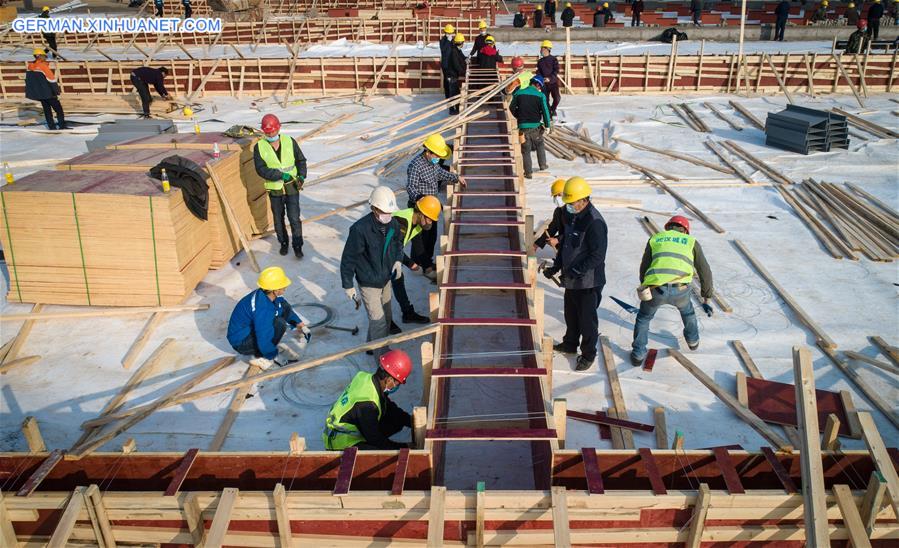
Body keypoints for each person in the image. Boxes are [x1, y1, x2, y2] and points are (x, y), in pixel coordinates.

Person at [629, 216, 713, 366]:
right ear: (685, 230)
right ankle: (693, 341)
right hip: (680, 289)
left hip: (656, 289)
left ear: (668, 227)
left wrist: (644, 285)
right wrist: (706, 295)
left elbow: (645, 265)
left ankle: (638, 354)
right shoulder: (691, 242)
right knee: (688, 312)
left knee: (644, 318)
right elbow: (704, 270)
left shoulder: (655, 239)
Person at [543, 177, 608, 371]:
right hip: (571, 278)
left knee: (587, 320)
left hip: (588, 281)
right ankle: (570, 343)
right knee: (571, 315)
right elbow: (566, 245)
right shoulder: (573, 216)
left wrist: (578, 270)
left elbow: (598, 255)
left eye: (572, 203)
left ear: (583, 200)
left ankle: (588, 354)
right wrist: (557, 267)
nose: (569, 206)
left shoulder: (595, 222)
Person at [340, 187, 404, 360]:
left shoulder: (393, 224)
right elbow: (348, 258)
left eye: (390, 212)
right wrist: (348, 285)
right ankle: (382, 359)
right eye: (384, 211)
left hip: (385, 279)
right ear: (374, 209)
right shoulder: (360, 230)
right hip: (368, 282)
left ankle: (371, 346)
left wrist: (398, 260)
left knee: (387, 316)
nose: (387, 215)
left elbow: (399, 242)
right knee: (378, 321)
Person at [323, 349, 414, 450]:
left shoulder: (366, 378)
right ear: (389, 380)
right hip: (341, 441)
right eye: (398, 383)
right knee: (378, 455)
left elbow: (389, 407)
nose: (397, 386)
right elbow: (375, 439)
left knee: (396, 420)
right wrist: (404, 448)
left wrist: (412, 422)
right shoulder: (367, 405)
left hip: (357, 424)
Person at [227, 266, 311, 370]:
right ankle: (258, 356)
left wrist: (299, 324)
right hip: (241, 342)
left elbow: (284, 307)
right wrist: (272, 355)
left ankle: (266, 349)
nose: (285, 287)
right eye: (283, 286)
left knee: (279, 317)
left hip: (248, 332)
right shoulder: (262, 308)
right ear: (275, 290)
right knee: (278, 324)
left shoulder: (268, 295)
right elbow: (263, 335)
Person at [406, 135, 466, 278]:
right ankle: (423, 266)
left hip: (431, 207)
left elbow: (440, 173)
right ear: (428, 152)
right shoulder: (415, 165)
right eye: (436, 155)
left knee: (431, 238)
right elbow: (410, 187)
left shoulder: (432, 164)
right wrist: (420, 198)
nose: (438, 158)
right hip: (419, 208)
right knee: (420, 239)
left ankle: (427, 261)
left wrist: (456, 177)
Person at [254, 114, 308, 258]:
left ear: (278, 128)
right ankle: (283, 243)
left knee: (294, 218)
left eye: (272, 131)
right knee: (278, 219)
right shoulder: (259, 147)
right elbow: (261, 169)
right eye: (267, 132)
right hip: (275, 189)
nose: (270, 134)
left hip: (292, 187)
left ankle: (297, 245)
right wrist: (279, 175)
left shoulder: (290, 141)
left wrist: (302, 175)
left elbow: (301, 161)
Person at [391, 196, 442, 325]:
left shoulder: (417, 223)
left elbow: (419, 247)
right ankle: (385, 322)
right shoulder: (402, 222)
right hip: (377, 255)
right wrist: (411, 264)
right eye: (429, 219)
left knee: (397, 280)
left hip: (389, 253)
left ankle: (407, 313)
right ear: (420, 213)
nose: (430, 222)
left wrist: (428, 267)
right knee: (382, 288)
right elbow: (393, 249)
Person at [510, 75, 551, 179]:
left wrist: (518, 117)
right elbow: (546, 111)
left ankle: (528, 173)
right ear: (537, 84)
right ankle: (543, 165)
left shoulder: (518, 93)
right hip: (536, 127)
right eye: (539, 86)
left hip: (522, 128)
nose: (539, 88)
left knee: (525, 150)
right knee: (540, 144)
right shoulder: (541, 95)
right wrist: (547, 125)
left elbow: (511, 108)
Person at [25, 48, 66, 131]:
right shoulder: (43, 66)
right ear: (39, 56)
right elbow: (52, 80)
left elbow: (30, 82)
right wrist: (56, 92)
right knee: (59, 110)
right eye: (44, 56)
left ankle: (52, 127)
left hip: (40, 94)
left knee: (47, 111)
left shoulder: (30, 66)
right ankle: (62, 126)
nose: (46, 58)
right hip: (49, 93)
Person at [534, 179, 567, 251]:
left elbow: (575, 233)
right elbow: (552, 228)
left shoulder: (574, 211)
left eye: (559, 195)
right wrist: (537, 244)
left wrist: (558, 240)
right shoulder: (558, 211)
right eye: (555, 196)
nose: (557, 198)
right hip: (566, 240)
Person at [536, 40, 561, 119]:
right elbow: (538, 72)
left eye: (542, 48)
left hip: (553, 83)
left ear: (547, 49)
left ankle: (552, 109)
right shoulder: (540, 61)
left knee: (557, 98)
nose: (541, 50)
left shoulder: (554, 59)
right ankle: (549, 117)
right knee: (545, 101)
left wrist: (550, 78)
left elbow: (556, 71)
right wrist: (540, 80)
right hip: (544, 85)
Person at [445, 33, 467, 114]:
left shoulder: (457, 50)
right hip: (451, 75)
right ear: (460, 43)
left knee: (456, 93)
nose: (463, 44)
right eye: (463, 43)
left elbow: (462, 57)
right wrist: (464, 72)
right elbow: (456, 65)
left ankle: (457, 109)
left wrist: (466, 59)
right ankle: (451, 110)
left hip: (454, 75)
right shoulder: (454, 51)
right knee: (453, 94)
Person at [439, 24, 456, 103]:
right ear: (445, 32)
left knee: (452, 80)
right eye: (448, 33)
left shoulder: (452, 40)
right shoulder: (442, 40)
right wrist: (448, 41)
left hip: (452, 63)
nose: (450, 35)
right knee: (446, 81)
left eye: (451, 33)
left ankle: (452, 95)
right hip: (445, 64)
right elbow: (443, 50)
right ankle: (447, 96)